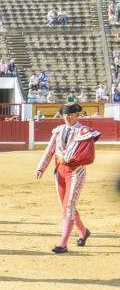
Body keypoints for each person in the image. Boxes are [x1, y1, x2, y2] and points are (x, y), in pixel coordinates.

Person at [36, 103, 100, 254]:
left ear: (78, 115)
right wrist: (41, 167)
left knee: (69, 206)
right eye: (65, 115)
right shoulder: (58, 131)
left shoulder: (84, 132)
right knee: (66, 206)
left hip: (76, 172)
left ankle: (62, 243)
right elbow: (50, 149)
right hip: (60, 172)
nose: (67, 117)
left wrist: (71, 160)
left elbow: (88, 155)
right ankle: (84, 232)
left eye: (70, 115)